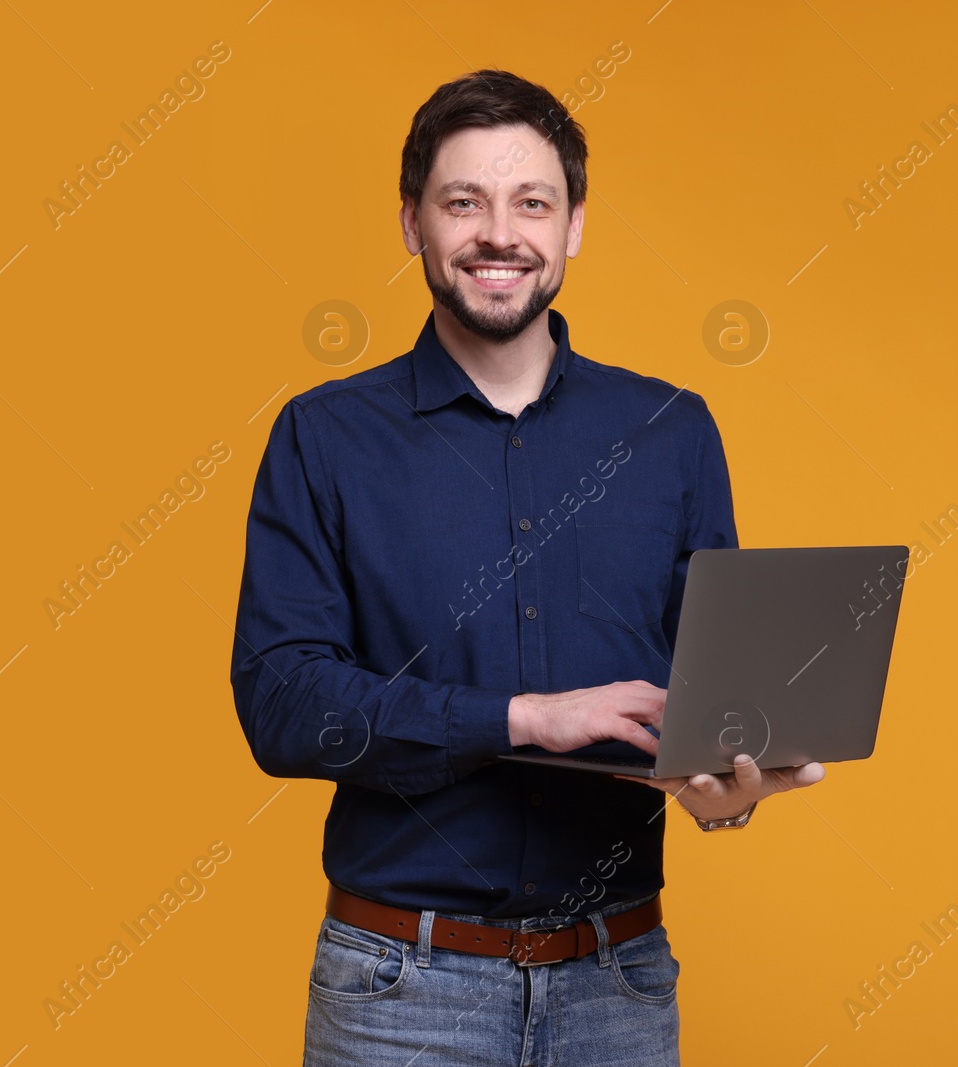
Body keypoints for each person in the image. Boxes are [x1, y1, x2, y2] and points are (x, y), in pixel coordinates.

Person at [230, 68, 825, 1067]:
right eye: (463, 201)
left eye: (531, 203)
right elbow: (283, 702)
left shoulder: (669, 432)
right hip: (397, 993)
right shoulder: (323, 438)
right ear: (412, 223)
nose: (499, 234)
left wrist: (735, 785)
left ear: (574, 225)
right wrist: (521, 718)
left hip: (620, 986)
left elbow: (708, 692)